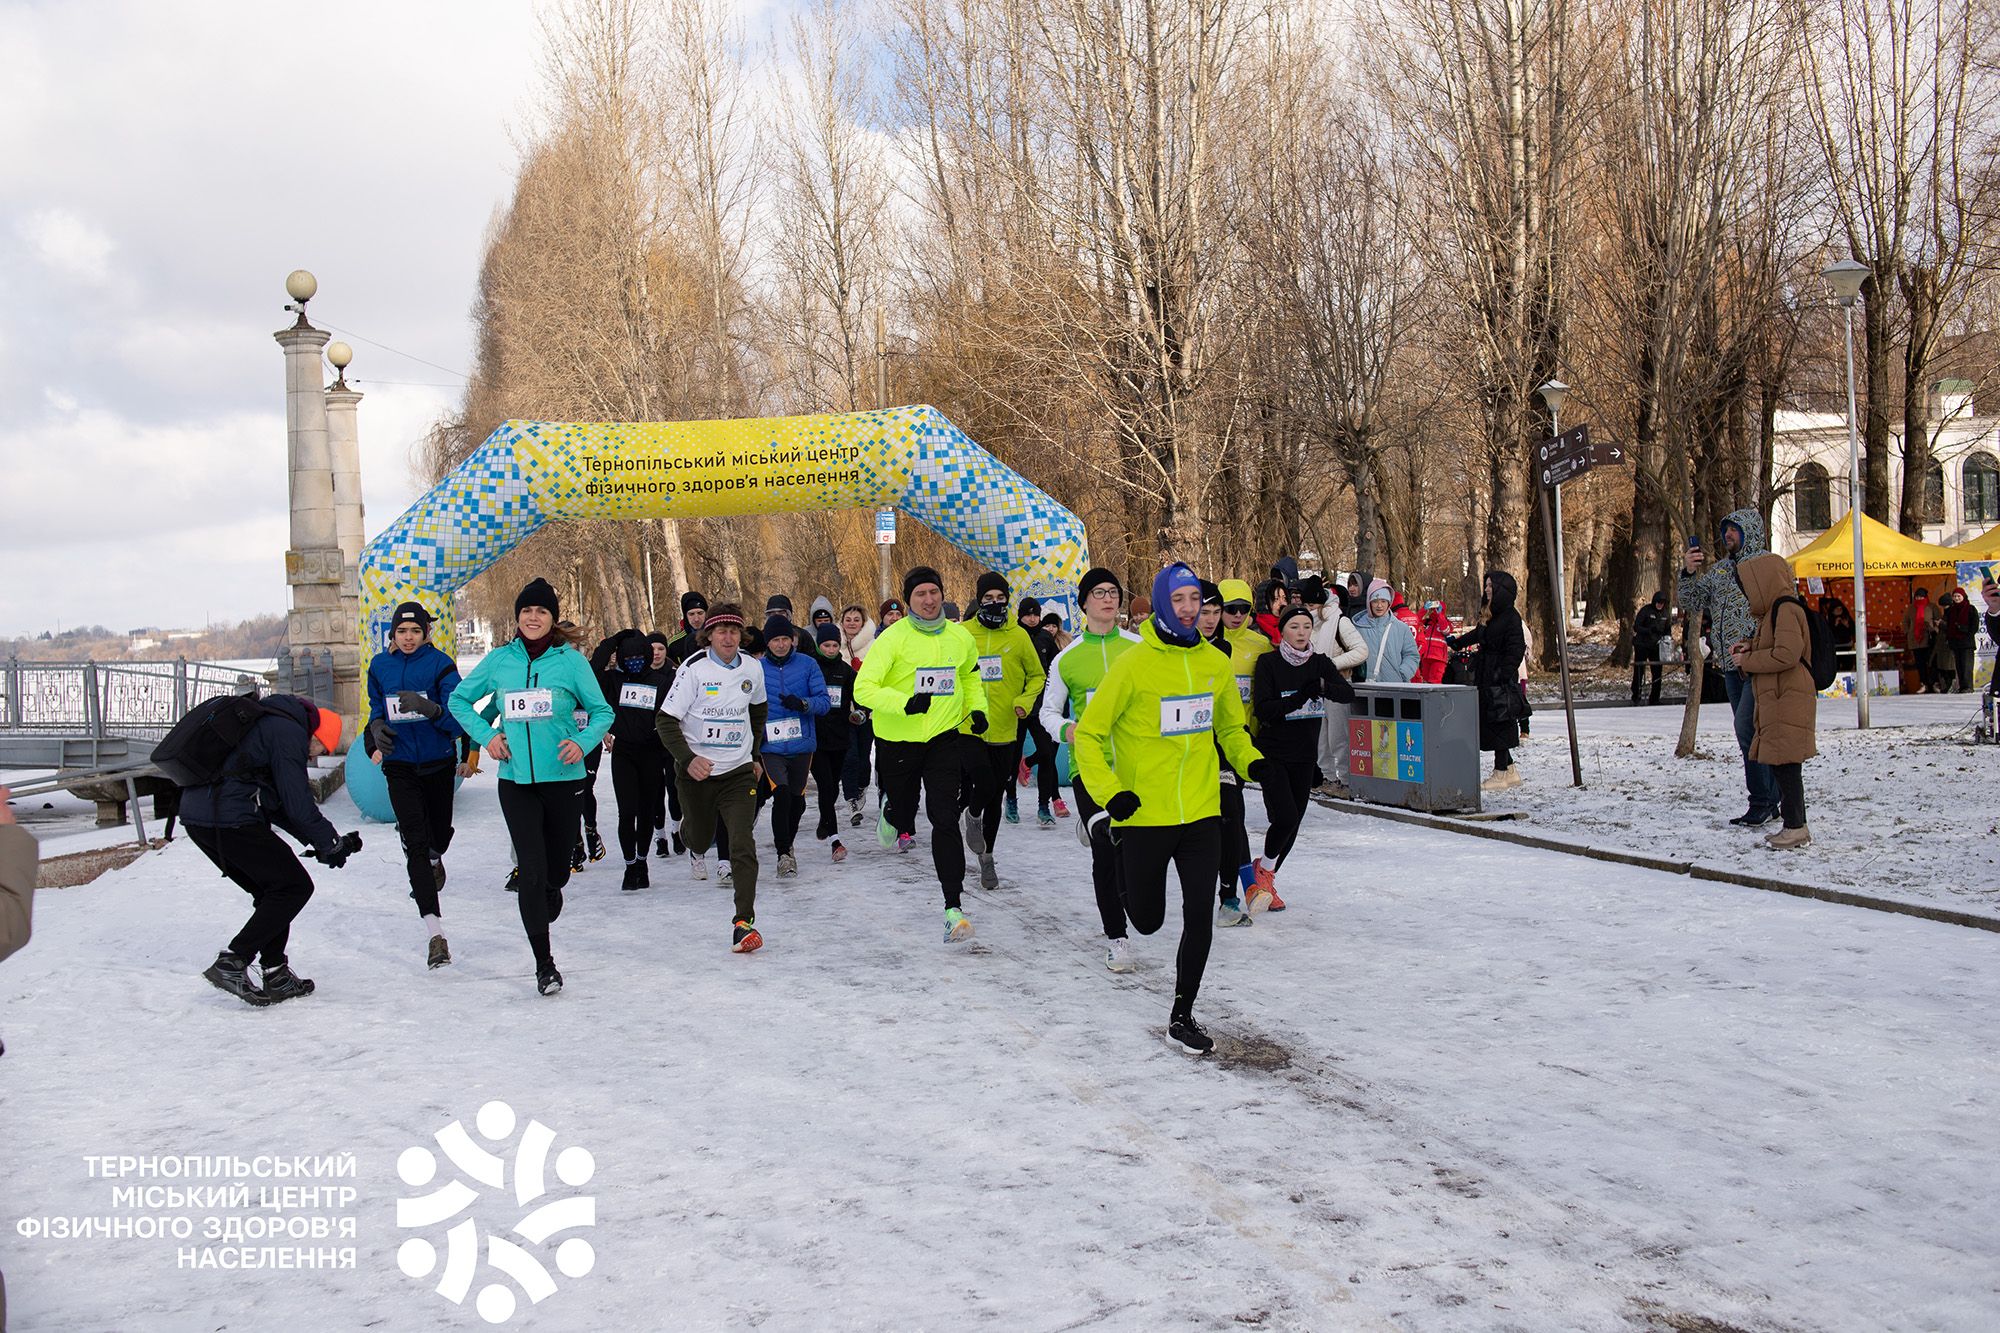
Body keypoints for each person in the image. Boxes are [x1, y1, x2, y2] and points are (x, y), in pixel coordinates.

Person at [1073, 562, 1267, 1054]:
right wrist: (1110, 793)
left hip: (1201, 812)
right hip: (1144, 814)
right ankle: (1113, 840)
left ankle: (1182, 1015)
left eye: (1195, 599)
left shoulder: (1214, 663)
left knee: (1199, 914)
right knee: (1146, 920)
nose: (1188, 608)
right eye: (1178, 599)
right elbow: (1089, 735)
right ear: (1162, 602)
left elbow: (1229, 729)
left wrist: (1253, 762)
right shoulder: (1133, 665)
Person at [449, 580, 614, 995]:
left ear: (552, 619)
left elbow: (602, 712)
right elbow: (458, 701)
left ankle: (553, 886)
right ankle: (545, 965)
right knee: (530, 870)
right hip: (516, 781)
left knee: (556, 871)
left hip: (563, 781)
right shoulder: (500, 660)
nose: (533, 617)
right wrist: (488, 737)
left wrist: (581, 742)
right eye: (527, 611)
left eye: (541, 611)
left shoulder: (571, 662)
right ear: (518, 617)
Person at [183, 696, 354, 1005]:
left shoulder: (269, 723)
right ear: (317, 736)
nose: (314, 756)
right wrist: (330, 842)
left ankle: (276, 973)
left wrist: (324, 843)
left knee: (273, 891)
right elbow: (298, 802)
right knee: (293, 887)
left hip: (200, 818)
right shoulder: (288, 733)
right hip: (229, 817)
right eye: (321, 750)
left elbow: (276, 804)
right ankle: (233, 960)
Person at [855, 565, 989, 943]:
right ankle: (892, 811)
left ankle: (953, 907)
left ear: (942, 594)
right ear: (909, 600)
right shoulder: (892, 639)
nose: (929, 600)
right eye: (920, 594)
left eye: (934, 592)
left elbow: (969, 677)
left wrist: (978, 710)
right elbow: (864, 688)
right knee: (904, 812)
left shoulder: (959, 637)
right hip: (898, 740)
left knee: (944, 817)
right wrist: (905, 703)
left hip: (944, 738)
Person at [1041, 568, 1143, 970]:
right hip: (1090, 765)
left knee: (1131, 848)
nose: (1108, 598)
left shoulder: (1139, 648)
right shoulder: (1067, 658)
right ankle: (1117, 938)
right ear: (1083, 603)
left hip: (1137, 765)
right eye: (1098, 593)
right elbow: (1048, 712)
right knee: (1105, 846)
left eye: (1113, 592)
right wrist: (1069, 730)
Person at [656, 604, 769, 950]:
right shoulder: (693, 669)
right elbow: (665, 721)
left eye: (734, 631)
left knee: (742, 843)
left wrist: (754, 756)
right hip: (698, 775)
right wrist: (689, 760)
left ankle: (743, 922)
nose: (728, 638)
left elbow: (758, 710)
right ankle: (688, 833)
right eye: (721, 631)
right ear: (709, 636)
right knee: (701, 840)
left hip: (738, 772)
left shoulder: (752, 667)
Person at [364, 599, 468, 968]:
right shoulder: (380, 666)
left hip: (438, 764)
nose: (408, 637)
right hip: (400, 767)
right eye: (402, 631)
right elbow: (376, 709)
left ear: (426, 633)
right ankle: (435, 934)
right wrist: (376, 729)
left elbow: (458, 720)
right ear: (392, 634)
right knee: (415, 845)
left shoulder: (441, 665)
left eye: (415, 631)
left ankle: (437, 856)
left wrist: (431, 710)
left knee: (438, 837)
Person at [1677, 509, 1779, 824]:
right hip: (1731, 668)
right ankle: (1772, 798)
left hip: (1758, 664)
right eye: (1726, 530)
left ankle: (1762, 801)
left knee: (1747, 729)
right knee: (1752, 734)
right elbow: (1692, 601)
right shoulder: (1721, 570)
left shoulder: (1768, 566)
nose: (1728, 535)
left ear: (1750, 531)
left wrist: (1758, 644)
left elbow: (1784, 610)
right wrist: (1688, 572)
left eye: (1735, 529)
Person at [1250, 604, 1355, 911]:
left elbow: (1347, 694)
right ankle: (1263, 873)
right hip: (1274, 752)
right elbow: (1265, 710)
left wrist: (1322, 686)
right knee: (1284, 817)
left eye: (1306, 627)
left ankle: (1266, 876)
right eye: (1294, 627)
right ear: (1282, 631)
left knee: (1293, 823)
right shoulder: (1269, 663)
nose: (1301, 633)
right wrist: (1300, 697)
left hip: (1305, 755)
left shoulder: (1319, 663)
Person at [958, 572, 1046, 889]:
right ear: (978, 600)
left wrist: (1023, 701)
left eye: (1000, 598)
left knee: (995, 795)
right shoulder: (964, 634)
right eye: (988, 598)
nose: (994, 603)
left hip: (1006, 727)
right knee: (982, 782)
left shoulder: (1019, 636)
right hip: (969, 726)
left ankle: (987, 859)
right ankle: (972, 814)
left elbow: (1037, 675)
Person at [1729, 553, 1817, 849]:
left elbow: (1787, 654)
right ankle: (1794, 825)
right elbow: (1778, 647)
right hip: (1779, 696)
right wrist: (1750, 647)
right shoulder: (1772, 613)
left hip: (1787, 697)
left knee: (1787, 765)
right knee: (1783, 763)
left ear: (1763, 582)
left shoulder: (1785, 609)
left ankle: (1796, 827)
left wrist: (1748, 660)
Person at [757, 612, 830, 878]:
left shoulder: (808, 664)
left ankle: (788, 845)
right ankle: (783, 854)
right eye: (775, 640)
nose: (780, 644)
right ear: (767, 643)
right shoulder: (757, 668)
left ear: (793, 640)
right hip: (771, 747)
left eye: (785, 639)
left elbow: (824, 702)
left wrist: (802, 704)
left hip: (801, 744)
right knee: (782, 794)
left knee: (797, 802)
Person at [599, 630, 673, 889]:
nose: (633, 663)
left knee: (646, 811)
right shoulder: (614, 680)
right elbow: (594, 668)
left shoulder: (660, 681)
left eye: (638, 658)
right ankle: (630, 865)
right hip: (623, 753)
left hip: (652, 752)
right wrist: (615, 640)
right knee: (627, 811)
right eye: (627, 659)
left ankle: (642, 861)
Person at [1447, 571, 1528, 791]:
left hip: (1498, 679)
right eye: (1487, 585)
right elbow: (1478, 634)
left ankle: (1500, 773)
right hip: (1485, 675)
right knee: (1491, 723)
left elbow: (1516, 649)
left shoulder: (1510, 617)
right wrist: (1457, 643)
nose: (1487, 589)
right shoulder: (1490, 613)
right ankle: (1510, 770)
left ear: (1502, 589)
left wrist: (1502, 673)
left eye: (1491, 586)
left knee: (1500, 722)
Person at [1311, 582, 1368, 797]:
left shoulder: (1339, 620)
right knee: (1320, 738)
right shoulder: (1308, 621)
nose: (1308, 608)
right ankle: (1328, 777)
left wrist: (1332, 664)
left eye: (1311, 604)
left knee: (1338, 737)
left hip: (1337, 683)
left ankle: (1345, 780)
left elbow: (1361, 651)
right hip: (1315, 687)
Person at [1016, 595, 1068, 825]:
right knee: (1020, 756)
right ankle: (1014, 800)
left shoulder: (1052, 640)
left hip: (1046, 705)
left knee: (1048, 753)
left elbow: (1059, 670)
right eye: (1028, 615)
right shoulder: (1018, 637)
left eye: (1036, 615)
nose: (1032, 618)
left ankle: (1046, 803)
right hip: (1021, 705)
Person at [810, 622, 856, 862]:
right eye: (826, 645)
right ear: (819, 646)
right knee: (826, 785)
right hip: (816, 739)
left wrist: (860, 713)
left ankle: (824, 819)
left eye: (834, 645)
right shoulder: (811, 668)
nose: (830, 649)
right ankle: (835, 841)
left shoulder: (845, 671)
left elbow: (859, 698)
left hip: (839, 738)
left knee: (832, 786)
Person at [838, 603, 879, 826]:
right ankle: (851, 799)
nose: (852, 623)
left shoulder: (874, 645)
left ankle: (862, 786)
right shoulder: (835, 645)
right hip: (843, 712)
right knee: (850, 756)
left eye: (856, 620)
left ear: (863, 622)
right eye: (848, 619)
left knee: (863, 758)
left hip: (866, 710)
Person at [1351, 580, 1419, 684]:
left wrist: (1403, 674)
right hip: (1366, 686)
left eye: (1383, 601)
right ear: (1369, 603)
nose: (1379, 605)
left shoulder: (1401, 628)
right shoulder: (1358, 627)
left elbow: (1412, 655)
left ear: (1389, 603)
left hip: (1395, 686)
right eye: (1375, 601)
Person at [1631, 592, 1671, 706]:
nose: (1660, 605)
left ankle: (1655, 698)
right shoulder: (1646, 610)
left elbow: (1667, 629)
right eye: (1658, 603)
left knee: (1657, 672)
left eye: (1662, 603)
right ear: (1654, 602)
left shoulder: (1665, 614)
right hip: (1642, 645)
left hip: (1656, 646)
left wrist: (1667, 638)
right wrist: (1648, 630)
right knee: (1639, 671)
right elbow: (1636, 627)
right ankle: (1636, 695)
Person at [1942, 587, 1978, 692]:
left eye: (1958, 596)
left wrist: (1964, 630)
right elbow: (1949, 626)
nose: (1956, 598)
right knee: (1959, 666)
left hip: (1966, 642)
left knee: (1967, 666)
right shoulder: (1951, 610)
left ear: (1963, 596)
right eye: (1954, 596)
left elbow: (1974, 625)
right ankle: (1962, 686)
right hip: (1955, 642)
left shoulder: (1970, 609)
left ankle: (1968, 686)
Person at [1906, 586, 1937, 692]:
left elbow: (1938, 620)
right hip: (1915, 640)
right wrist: (1908, 631)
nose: (1919, 599)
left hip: (1929, 639)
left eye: (1921, 597)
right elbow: (1905, 621)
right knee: (1920, 663)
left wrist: (1934, 630)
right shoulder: (1911, 608)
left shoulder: (1931, 607)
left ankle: (1934, 683)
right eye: (1917, 597)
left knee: (1931, 662)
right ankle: (1923, 683)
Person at [666, 591, 708, 665]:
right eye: (691, 614)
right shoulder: (674, 644)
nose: (696, 619)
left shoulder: (717, 636)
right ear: (685, 616)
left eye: (700, 613)